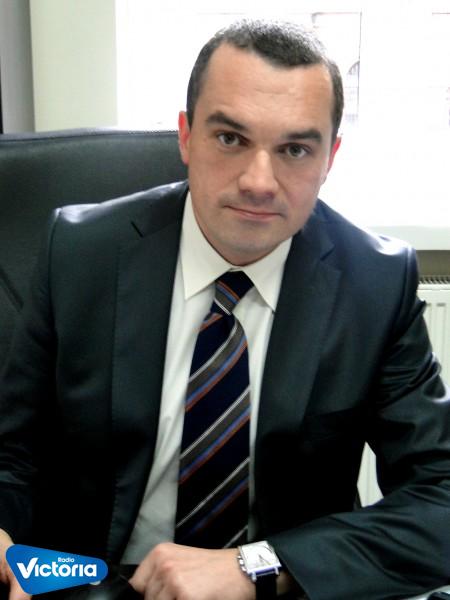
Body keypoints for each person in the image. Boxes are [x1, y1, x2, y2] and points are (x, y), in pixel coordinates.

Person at [1, 18, 450, 600]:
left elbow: (440, 497)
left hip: (272, 586)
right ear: (186, 137)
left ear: (330, 158)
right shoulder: (81, 253)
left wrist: (255, 566)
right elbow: (14, 455)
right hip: (91, 584)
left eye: (294, 149)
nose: (259, 182)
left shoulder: (376, 283)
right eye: (231, 139)